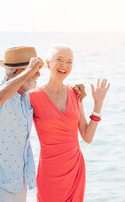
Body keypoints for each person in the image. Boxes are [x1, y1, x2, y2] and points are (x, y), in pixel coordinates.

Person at [0, 46, 85, 202]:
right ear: (21, 74)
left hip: (20, 183)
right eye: (35, 71)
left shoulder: (26, 99)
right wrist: (28, 71)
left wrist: (75, 90)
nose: (39, 75)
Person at [29, 44, 110, 202]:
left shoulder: (75, 93)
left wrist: (98, 104)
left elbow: (87, 136)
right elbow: (18, 130)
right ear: (48, 63)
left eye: (69, 61)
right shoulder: (33, 97)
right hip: (50, 172)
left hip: (75, 168)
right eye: (59, 59)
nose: (64, 65)